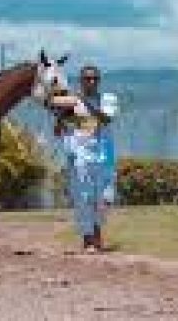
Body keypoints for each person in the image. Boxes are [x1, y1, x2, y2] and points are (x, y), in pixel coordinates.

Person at [51, 65, 119, 252]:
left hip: (104, 156)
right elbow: (58, 132)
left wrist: (82, 103)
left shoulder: (107, 99)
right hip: (80, 157)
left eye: (95, 78)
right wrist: (60, 116)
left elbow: (106, 119)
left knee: (104, 199)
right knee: (83, 198)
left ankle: (96, 233)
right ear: (81, 81)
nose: (91, 82)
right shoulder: (72, 104)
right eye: (87, 79)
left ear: (99, 80)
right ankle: (89, 239)